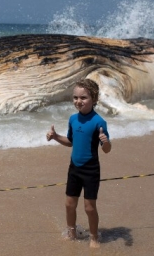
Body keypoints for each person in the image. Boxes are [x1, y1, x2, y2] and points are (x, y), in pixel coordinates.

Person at [46, 79, 112, 249]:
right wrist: (55, 137)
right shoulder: (73, 119)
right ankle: (72, 232)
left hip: (91, 170)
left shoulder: (99, 122)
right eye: (75, 97)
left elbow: (106, 150)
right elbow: (70, 142)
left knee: (89, 208)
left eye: (83, 97)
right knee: (69, 204)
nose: (78, 101)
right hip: (74, 168)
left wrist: (105, 142)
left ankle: (95, 237)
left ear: (94, 98)